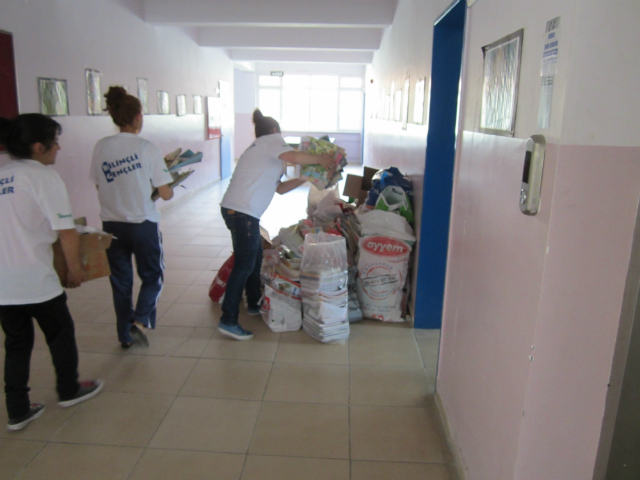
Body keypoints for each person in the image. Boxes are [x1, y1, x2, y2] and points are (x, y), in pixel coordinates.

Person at [0, 114, 104, 431]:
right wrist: (74, 271)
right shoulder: (44, 178)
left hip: (4, 285)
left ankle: (17, 409)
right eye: (55, 142)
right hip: (37, 280)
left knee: (16, 345)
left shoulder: (3, 174)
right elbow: (67, 233)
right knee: (60, 334)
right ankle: (69, 390)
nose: (58, 149)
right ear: (38, 147)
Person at [218, 109, 335, 340]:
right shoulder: (270, 141)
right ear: (274, 131)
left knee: (255, 257)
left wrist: (305, 177)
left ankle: (253, 303)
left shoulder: (262, 149)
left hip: (239, 211)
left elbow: (279, 189)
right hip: (242, 213)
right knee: (244, 264)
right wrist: (321, 159)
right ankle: (228, 320)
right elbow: (293, 156)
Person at [90, 86, 174, 349]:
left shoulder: (101, 146)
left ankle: (124, 336)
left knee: (121, 282)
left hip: (111, 225)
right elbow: (166, 193)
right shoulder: (147, 148)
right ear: (138, 116)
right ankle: (139, 323)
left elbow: (98, 185)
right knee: (152, 277)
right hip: (142, 224)